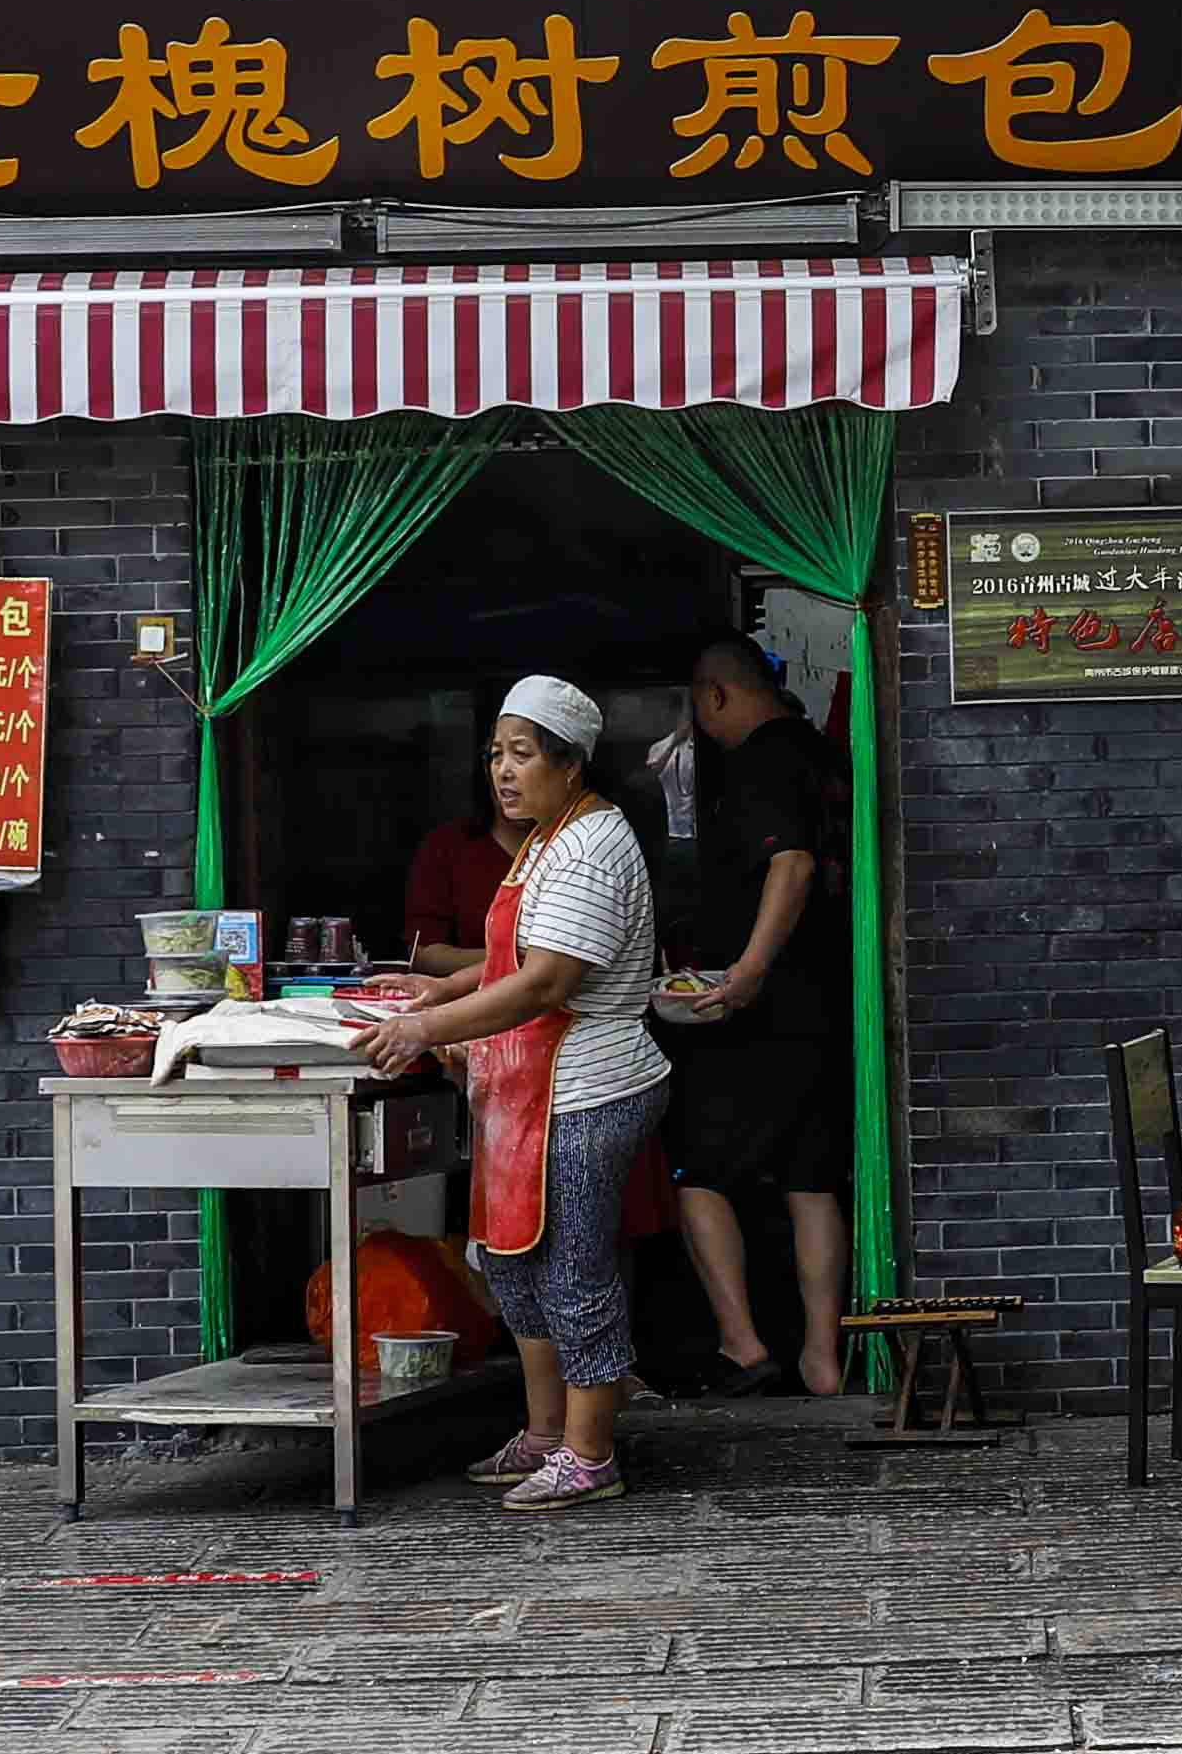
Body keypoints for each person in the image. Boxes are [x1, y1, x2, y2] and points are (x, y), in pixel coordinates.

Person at [354, 678, 668, 1511]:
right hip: (527, 1091)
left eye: (521, 754)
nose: (502, 770)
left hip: (586, 1087)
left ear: (570, 764)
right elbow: (509, 962)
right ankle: (544, 1430)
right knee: (514, 1263)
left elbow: (547, 982)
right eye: (496, 753)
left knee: (573, 1270)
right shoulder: (544, 837)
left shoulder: (591, 845)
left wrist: (427, 1028)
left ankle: (590, 1452)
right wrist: (437, 991)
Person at [658, 632, 851, 1398]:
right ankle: (822, 1360)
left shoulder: (760, 761)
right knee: (811, 1180)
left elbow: (791, 862)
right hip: (823, 1007)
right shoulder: (824, 757)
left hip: (754, 1014)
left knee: (695, 1169)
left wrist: (745, 971)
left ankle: (741, 1345)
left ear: (716, 695)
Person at [402, 766, 527, 980]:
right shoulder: (448, 846)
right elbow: (423, 954)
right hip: (467, 995)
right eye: (498, 755)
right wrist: (526, 960)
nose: (508, 774)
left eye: (523, 755)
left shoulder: (571, 849)